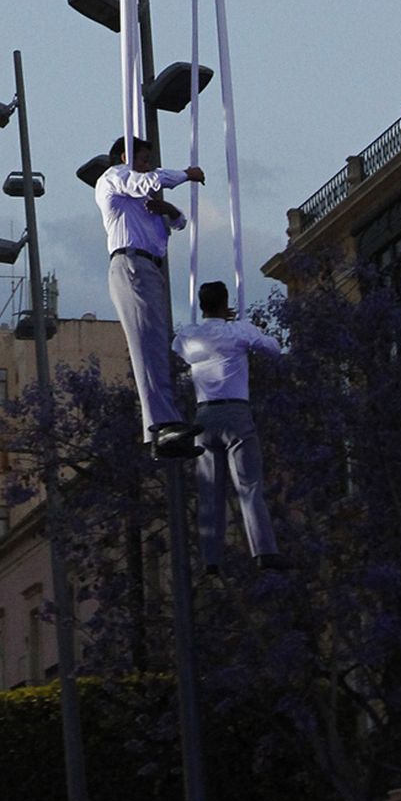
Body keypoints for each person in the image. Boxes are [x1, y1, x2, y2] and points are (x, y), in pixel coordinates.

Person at [82, 137, 204, 459]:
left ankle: (167, 425)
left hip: (150, 271)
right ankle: (159, 426)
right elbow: (147, 180)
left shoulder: (141, 201)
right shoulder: (114, 178)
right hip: (131, 265)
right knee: (146, 345)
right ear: (126, 157)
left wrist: (168, 209)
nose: (149, 164)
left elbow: (177, 223)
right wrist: (186, 175)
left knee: (157, 345)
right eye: (145, 158)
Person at [173, 279, 285, 572]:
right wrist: (242, 328)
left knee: (210, 491)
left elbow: (178, 349)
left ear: (201, 305)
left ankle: (211, 559)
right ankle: (263, 551)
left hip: (204, 417)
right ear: (226, 304)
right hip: (236, 412)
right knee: (249, 485)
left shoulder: (189, 335)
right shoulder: (238, 331)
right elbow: (274, 349)